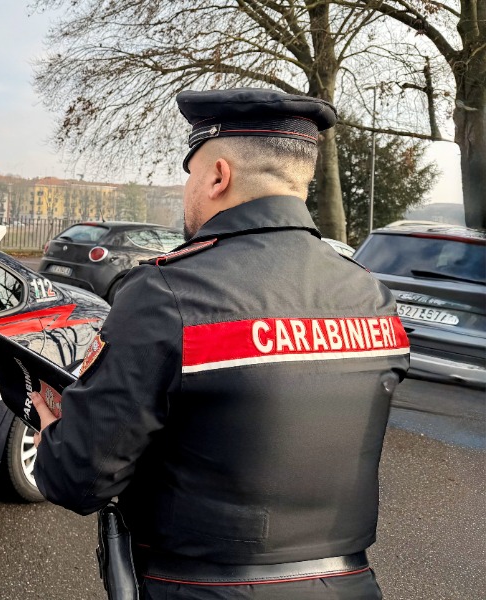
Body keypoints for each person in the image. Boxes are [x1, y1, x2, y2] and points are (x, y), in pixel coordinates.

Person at [30, 88, 410, 600]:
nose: (189, 190)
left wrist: (55, 427)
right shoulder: (370, 293)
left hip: (199, 587)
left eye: (191, 175)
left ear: (217, 176)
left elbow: (80, 479)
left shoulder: (166, 294)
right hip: (350, 585)